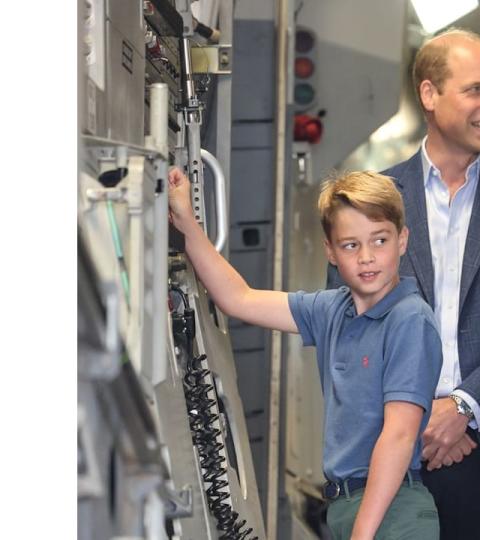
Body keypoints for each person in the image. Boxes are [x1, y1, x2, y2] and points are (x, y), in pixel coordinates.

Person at [329, 28, 480, 540]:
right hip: (391, 459)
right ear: (429, 95)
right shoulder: (374, 200)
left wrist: (462, 407)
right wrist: (417, 418)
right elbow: (351, 334)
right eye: (475, 89)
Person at [168, 168, 443, 540]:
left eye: (380, 240)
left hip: (393, 511)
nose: (366, 257)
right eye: (350, 245)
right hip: (349, 507)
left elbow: (399, 434)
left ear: (403, 240)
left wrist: (362, 534)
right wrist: (185, 222)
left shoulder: (409, 319)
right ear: (330, 251)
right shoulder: (331, 310)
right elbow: (239, 298)